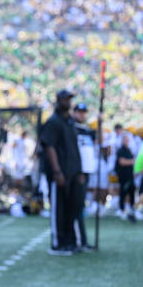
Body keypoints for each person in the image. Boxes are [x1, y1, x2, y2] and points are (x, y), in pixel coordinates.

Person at [40, 90, 82, 256]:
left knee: (73, 208)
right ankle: (58, 243)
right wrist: (57, 171)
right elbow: (49, 147)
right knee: (59, 209)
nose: (68, 102)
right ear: (58, 101)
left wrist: (79, 170)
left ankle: (70, 242)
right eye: (66, 99)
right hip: (60, 173)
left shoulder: (70, 121)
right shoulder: (53, 122)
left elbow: (74, 147)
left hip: (73, 171)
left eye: (70, 99)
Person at [72, 103, 95, 250]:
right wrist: (78, 170)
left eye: (84, 112)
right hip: (77, 173)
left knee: (81, 206)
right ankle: (79, 240)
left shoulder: (87, 130)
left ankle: (82, 240)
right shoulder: (72, 129)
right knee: (77, 207)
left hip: (86, 172)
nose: (82, 115)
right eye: (79, 112)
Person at [115, 134, 136, 222]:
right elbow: (122, 162)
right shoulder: (121, 150)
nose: (127, 141)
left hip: (130, 176)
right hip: (123, 176)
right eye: (125, 140)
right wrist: (132, 161)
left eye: (127, 140)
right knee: (123, 193)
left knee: (131, 192)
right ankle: (121, 210)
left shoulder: (129, 150)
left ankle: (131, 210)